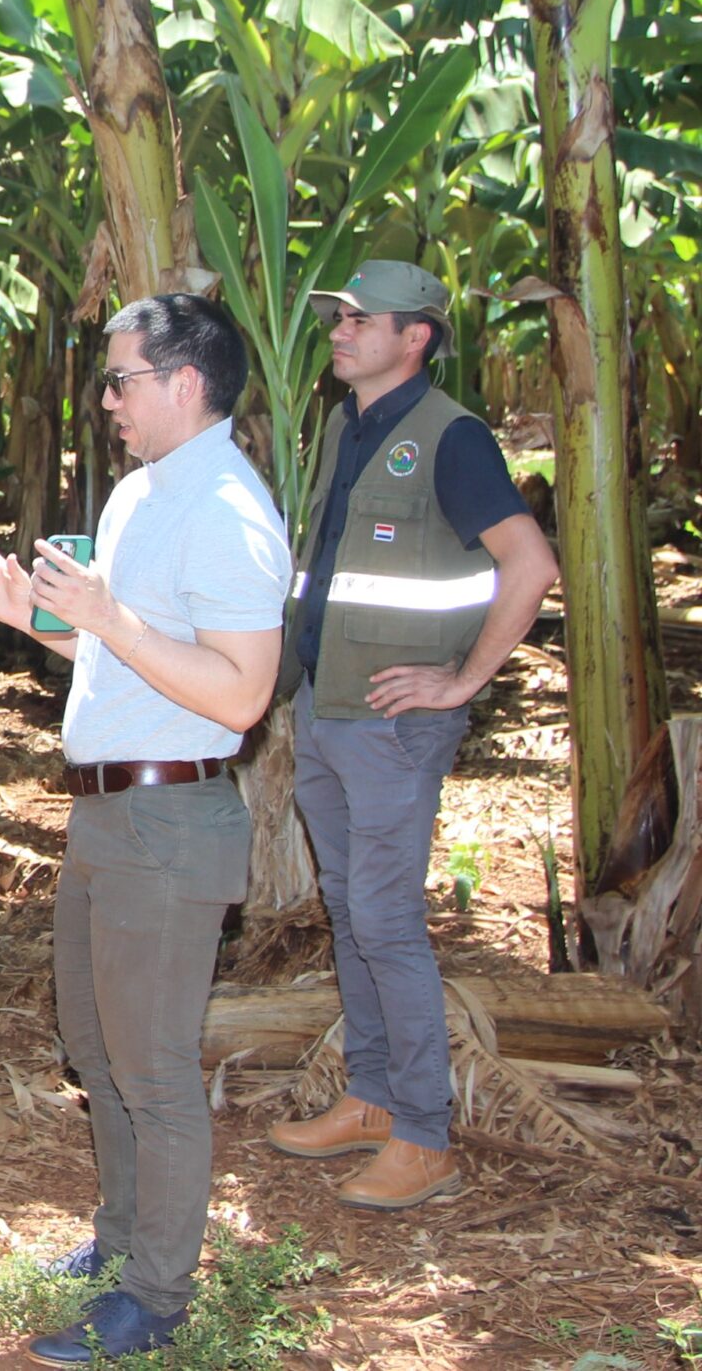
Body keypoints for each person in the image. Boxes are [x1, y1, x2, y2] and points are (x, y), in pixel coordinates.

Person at [0, 294, 288, 1367]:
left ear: (186, 382)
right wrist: (39, 621)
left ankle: (155, 1300)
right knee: (94, 1047)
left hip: (170, 820)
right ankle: (120, 1244)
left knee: (153, 1069)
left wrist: (102, 616)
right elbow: (124, 656)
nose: (105, 401)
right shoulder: (143, 496)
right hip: (103, 813)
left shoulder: (228, 511)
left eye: (121, 379)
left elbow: (239, 697)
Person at [268, 260, 558, 1209]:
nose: (340, 331)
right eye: (337, 318)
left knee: (388, 923)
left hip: (394, 727)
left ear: (417, 336)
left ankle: (428, 1136)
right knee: (352, 913)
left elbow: (531, 564)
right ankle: (376, 1098)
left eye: (359, 319)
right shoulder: (350, 428)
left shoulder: (451, 437)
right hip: (327, 709)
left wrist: (464, 678)